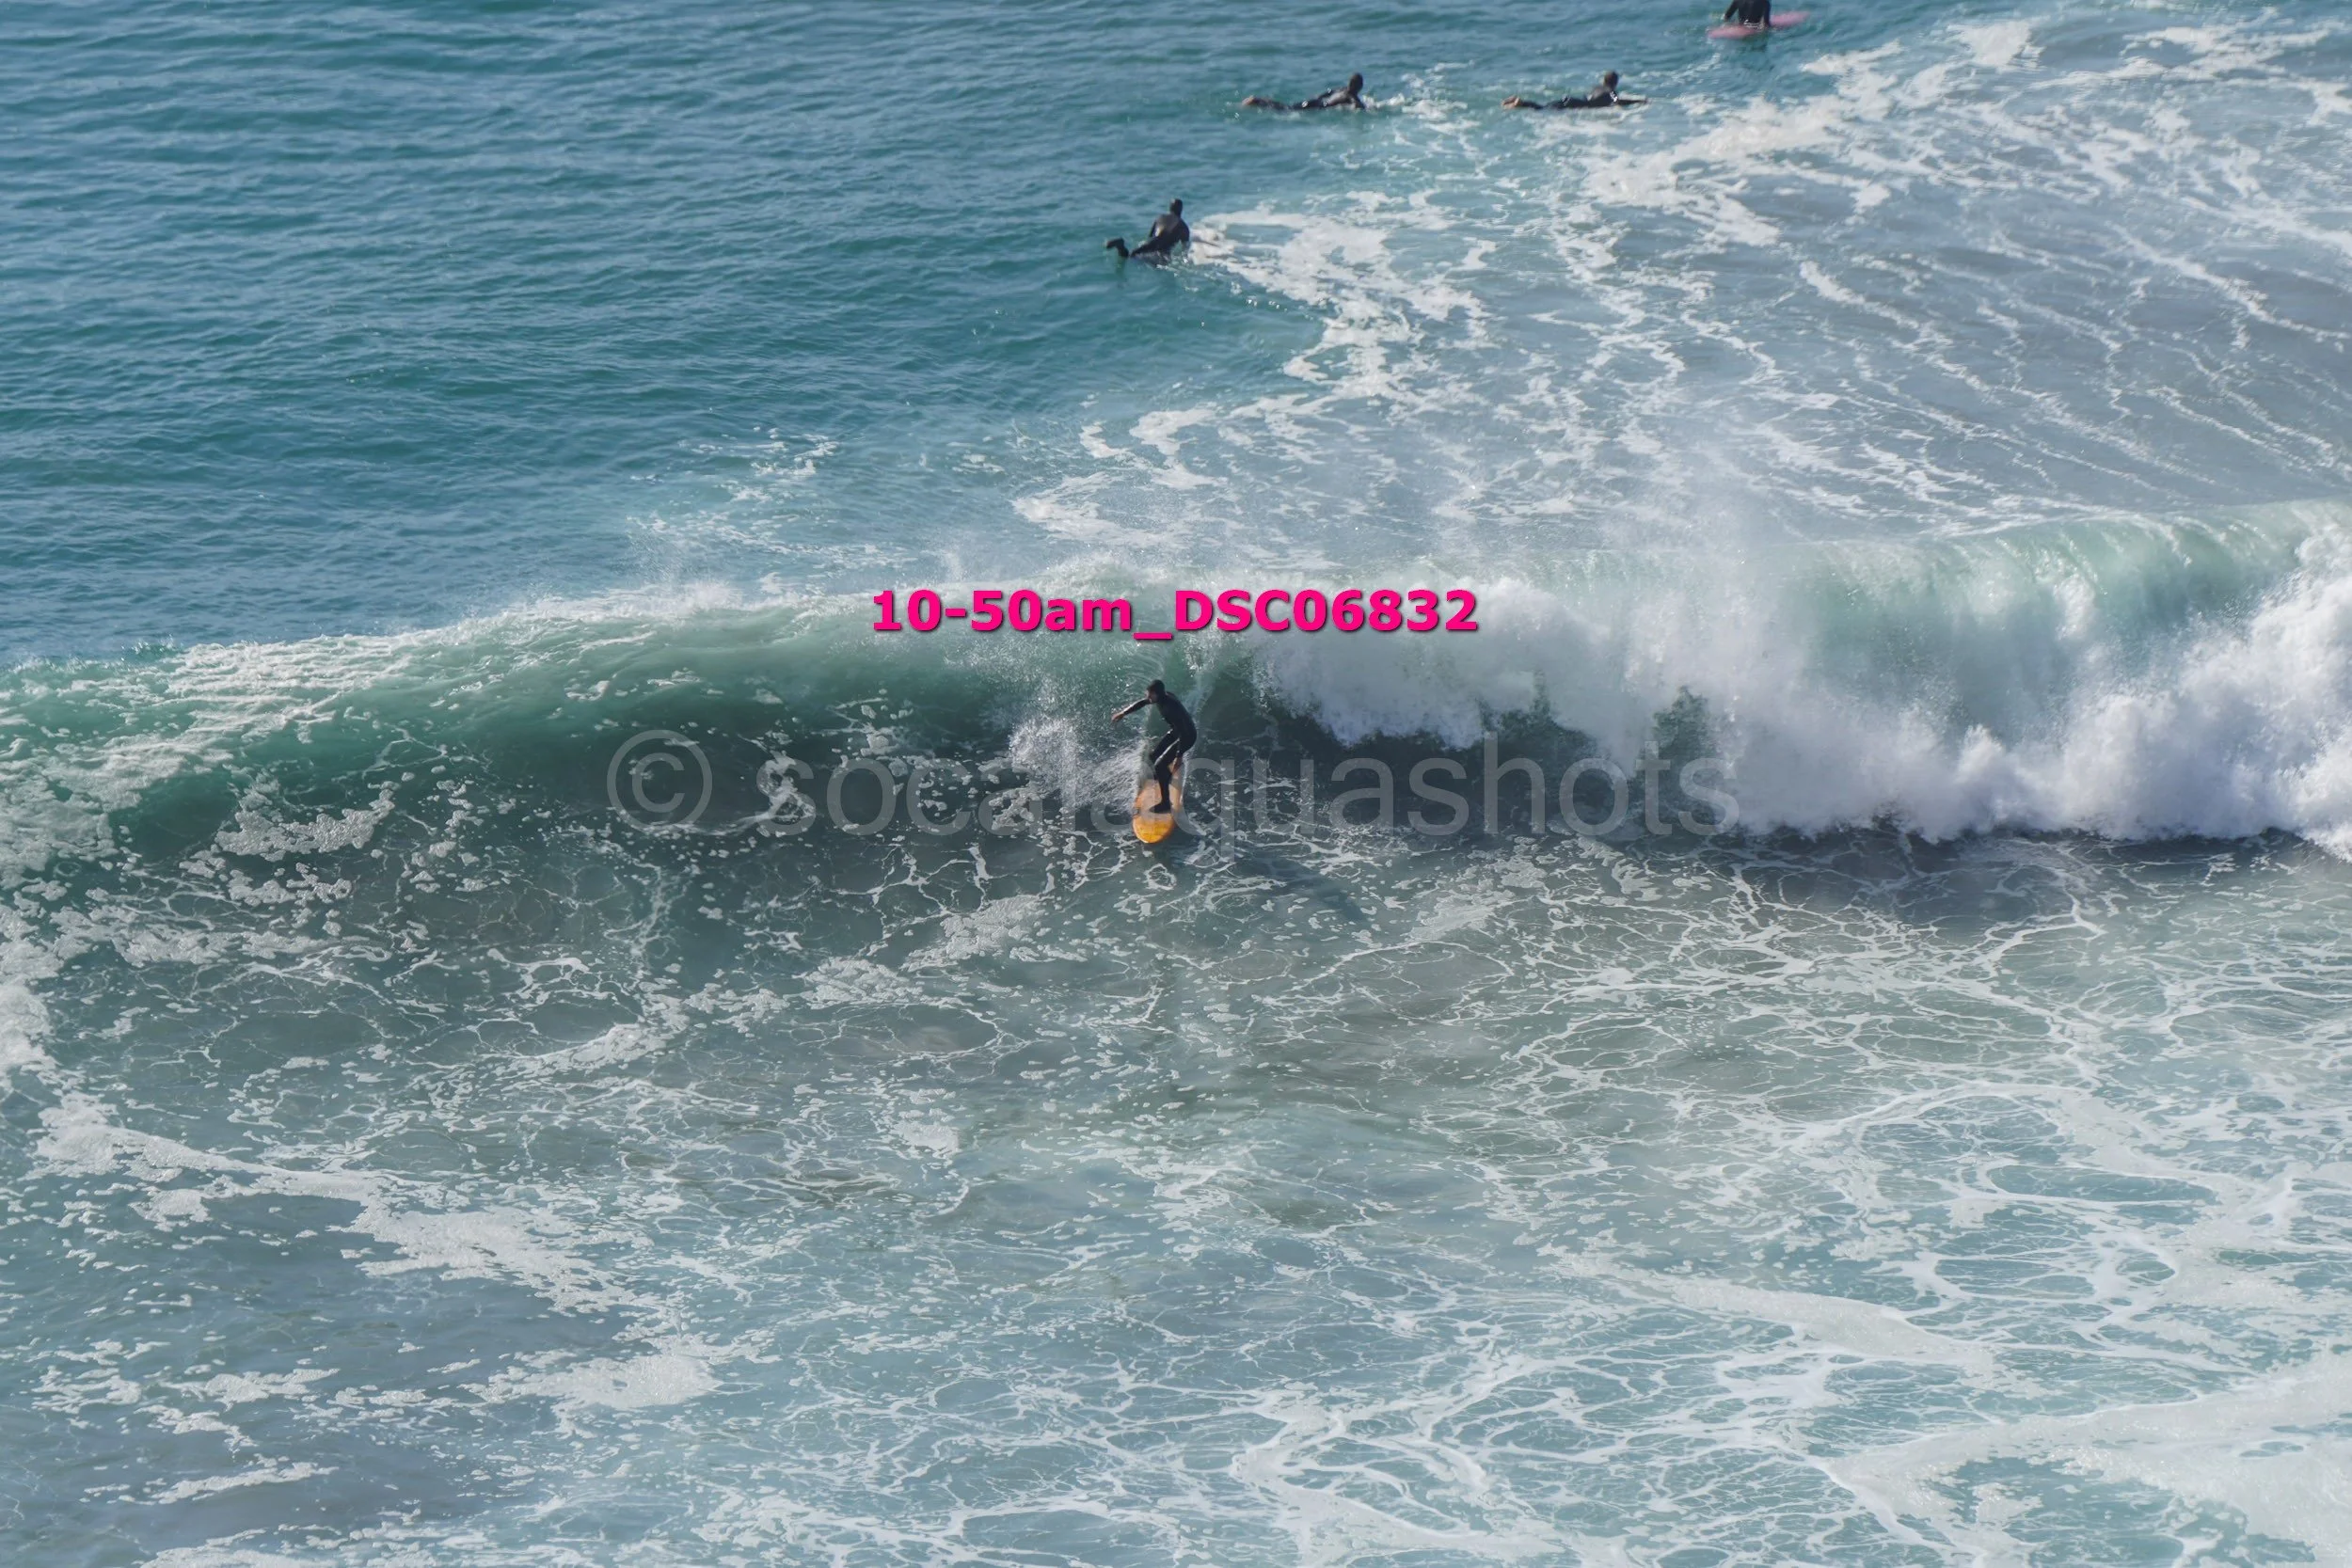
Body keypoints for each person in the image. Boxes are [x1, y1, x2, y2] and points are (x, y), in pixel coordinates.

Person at [1111, 679, 1197, 812]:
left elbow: (1183, 732)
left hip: (1187, 736)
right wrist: (1123, 713)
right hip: (1177, 731)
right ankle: (1165, 776)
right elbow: (1142, 703)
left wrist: (1179, 756)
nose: (1148, 698)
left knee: (1159, 765)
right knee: (1153, 756)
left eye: (1150, 695)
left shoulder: (1170, 707)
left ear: (1158, 694)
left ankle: (1166, 804)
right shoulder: (1163, 697)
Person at [1503, 71, 1645, 111]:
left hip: (1573, 100)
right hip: (1576, 104)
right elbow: (1618, 101)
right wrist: (1639, 101)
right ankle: (1519, 102)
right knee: (1543, 108)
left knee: (1544, 106)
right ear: (1615, 83)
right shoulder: (1610, 91)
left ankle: (1520, 102)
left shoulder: (1598, 87)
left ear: (1603, 81)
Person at [1106, 199, 1190, 261]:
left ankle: (1121, 246)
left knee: (1131, 256)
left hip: (1152, 243)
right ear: (1181, 211)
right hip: (1161, 250)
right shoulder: (1184, 227)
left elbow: (1150, 236)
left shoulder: (1160, 217)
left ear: (1170, 208)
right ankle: (1121, 246)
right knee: (1154, 265)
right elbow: (1184, 249)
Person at [1243, 73, 1367, 111]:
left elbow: (1329, 91)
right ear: (1359, 86)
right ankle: (1257, 101)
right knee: (1286, 109)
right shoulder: (1350, 95)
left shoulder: (1342, 89)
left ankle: (1260, 100)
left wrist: (1319, 96)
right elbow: (1358, 104)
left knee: (1287, 107)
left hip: (1316, 102)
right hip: (1318, 106)